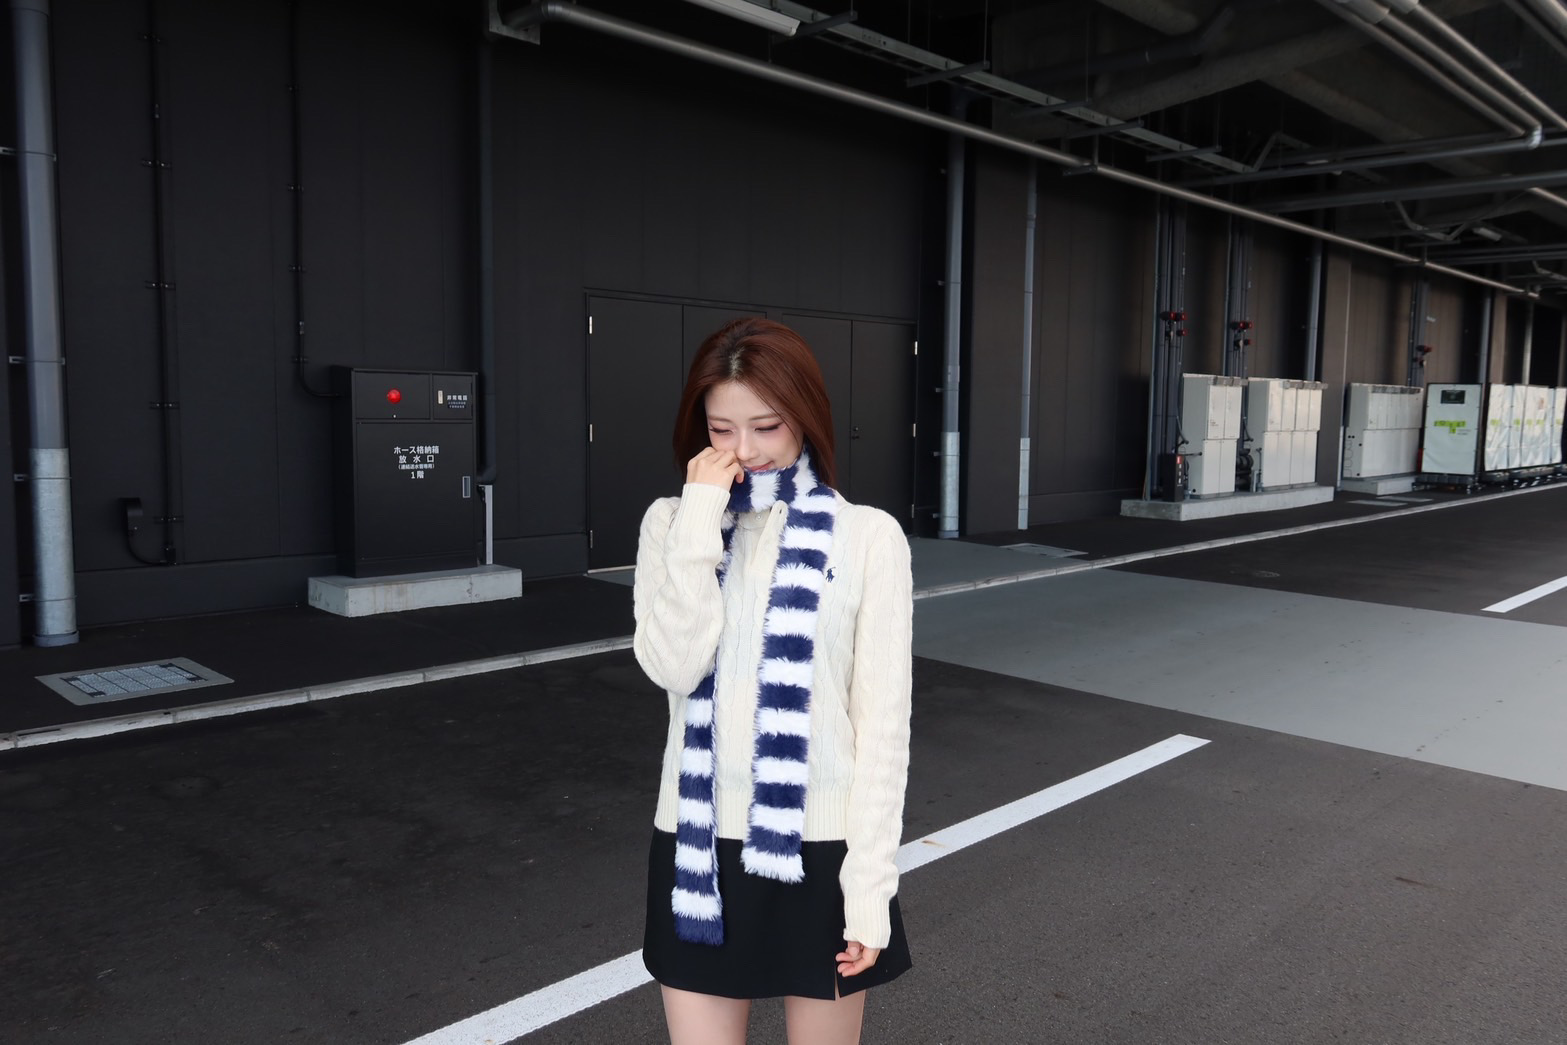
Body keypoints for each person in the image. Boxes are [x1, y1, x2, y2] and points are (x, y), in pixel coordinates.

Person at [633, 317, 914, 1045]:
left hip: (820, 850)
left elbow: (881, 731)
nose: (745, 449)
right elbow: (672, 666)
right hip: (697, 847)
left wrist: (870, 888)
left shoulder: (868, 537)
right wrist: (701, 519)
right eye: (720, 429)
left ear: (806, 417)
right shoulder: (671, 524)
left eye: (766, 425)